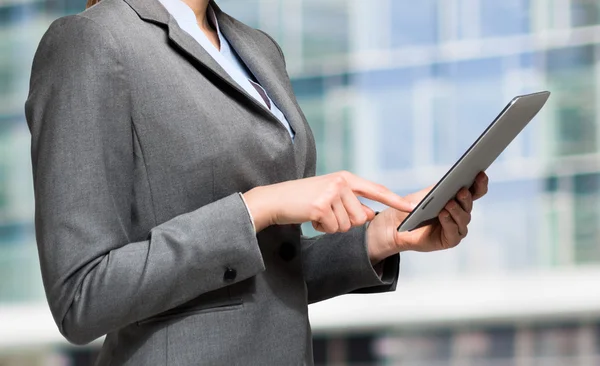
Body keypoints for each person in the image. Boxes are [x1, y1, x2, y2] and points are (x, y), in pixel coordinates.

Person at [24, 0, 488, 364]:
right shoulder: (91, 41)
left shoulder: (257, 48)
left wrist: (380, 238)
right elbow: (80, 297)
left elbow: (264, 269)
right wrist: (258, 206)